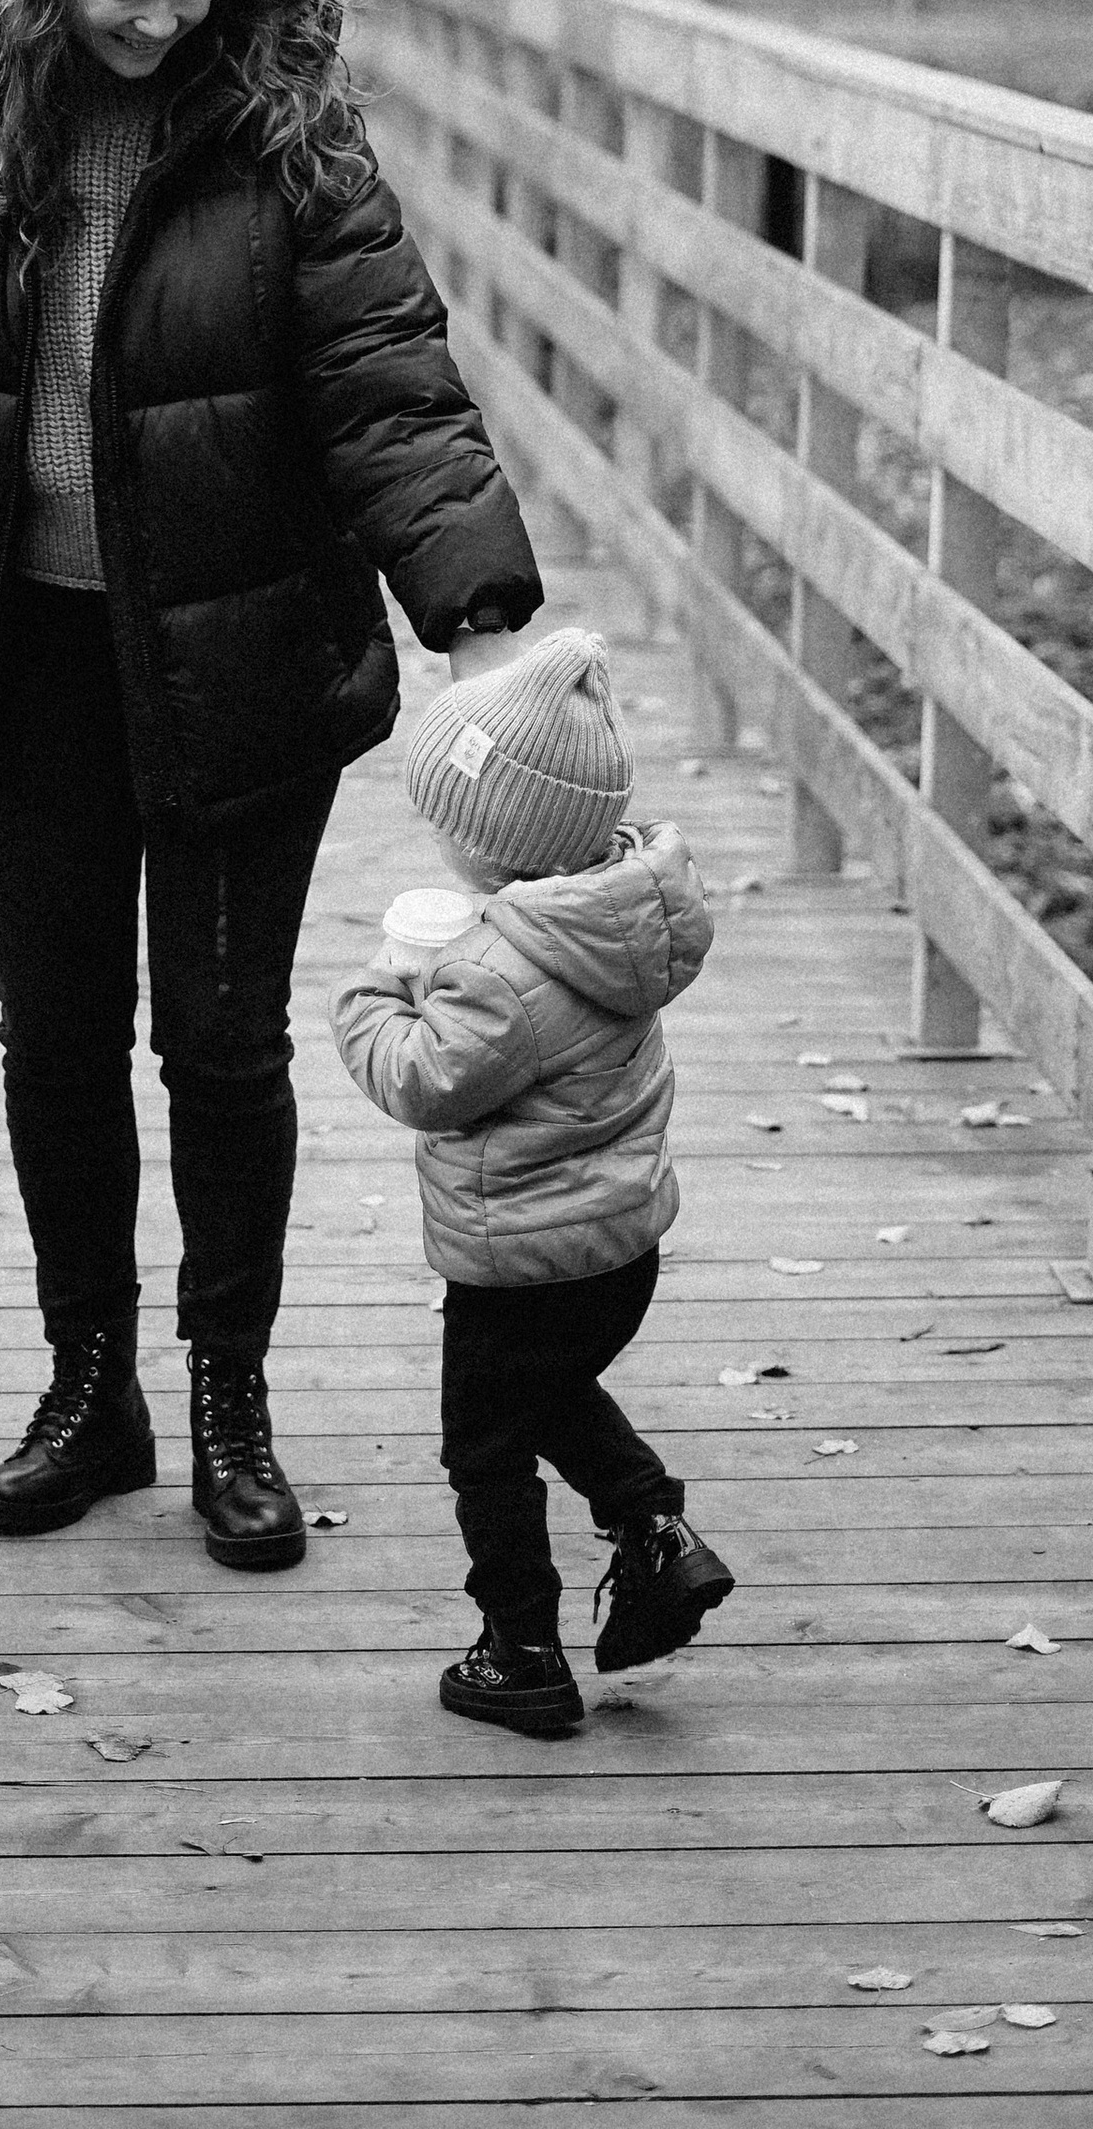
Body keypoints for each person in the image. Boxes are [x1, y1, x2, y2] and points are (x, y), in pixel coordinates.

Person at [0, 0, 542, 1570]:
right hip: (20, 657)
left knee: (221, 1043)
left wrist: (480, 615)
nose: (161, 20)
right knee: (56, 1041)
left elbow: (388, 387)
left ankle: (229, 1406)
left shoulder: (288, 140)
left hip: (238, 653)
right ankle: (89, 1390)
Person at [331, 626, 732, 1735]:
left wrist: (380, 989)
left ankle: (521, 1653)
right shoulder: (616, 920)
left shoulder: (496, 974)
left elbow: (422, 1081)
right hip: (617, 1247)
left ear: (489, 846)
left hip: (517, 1260)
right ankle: (654, 1529)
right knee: (549, 1393)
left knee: (486, 1449)